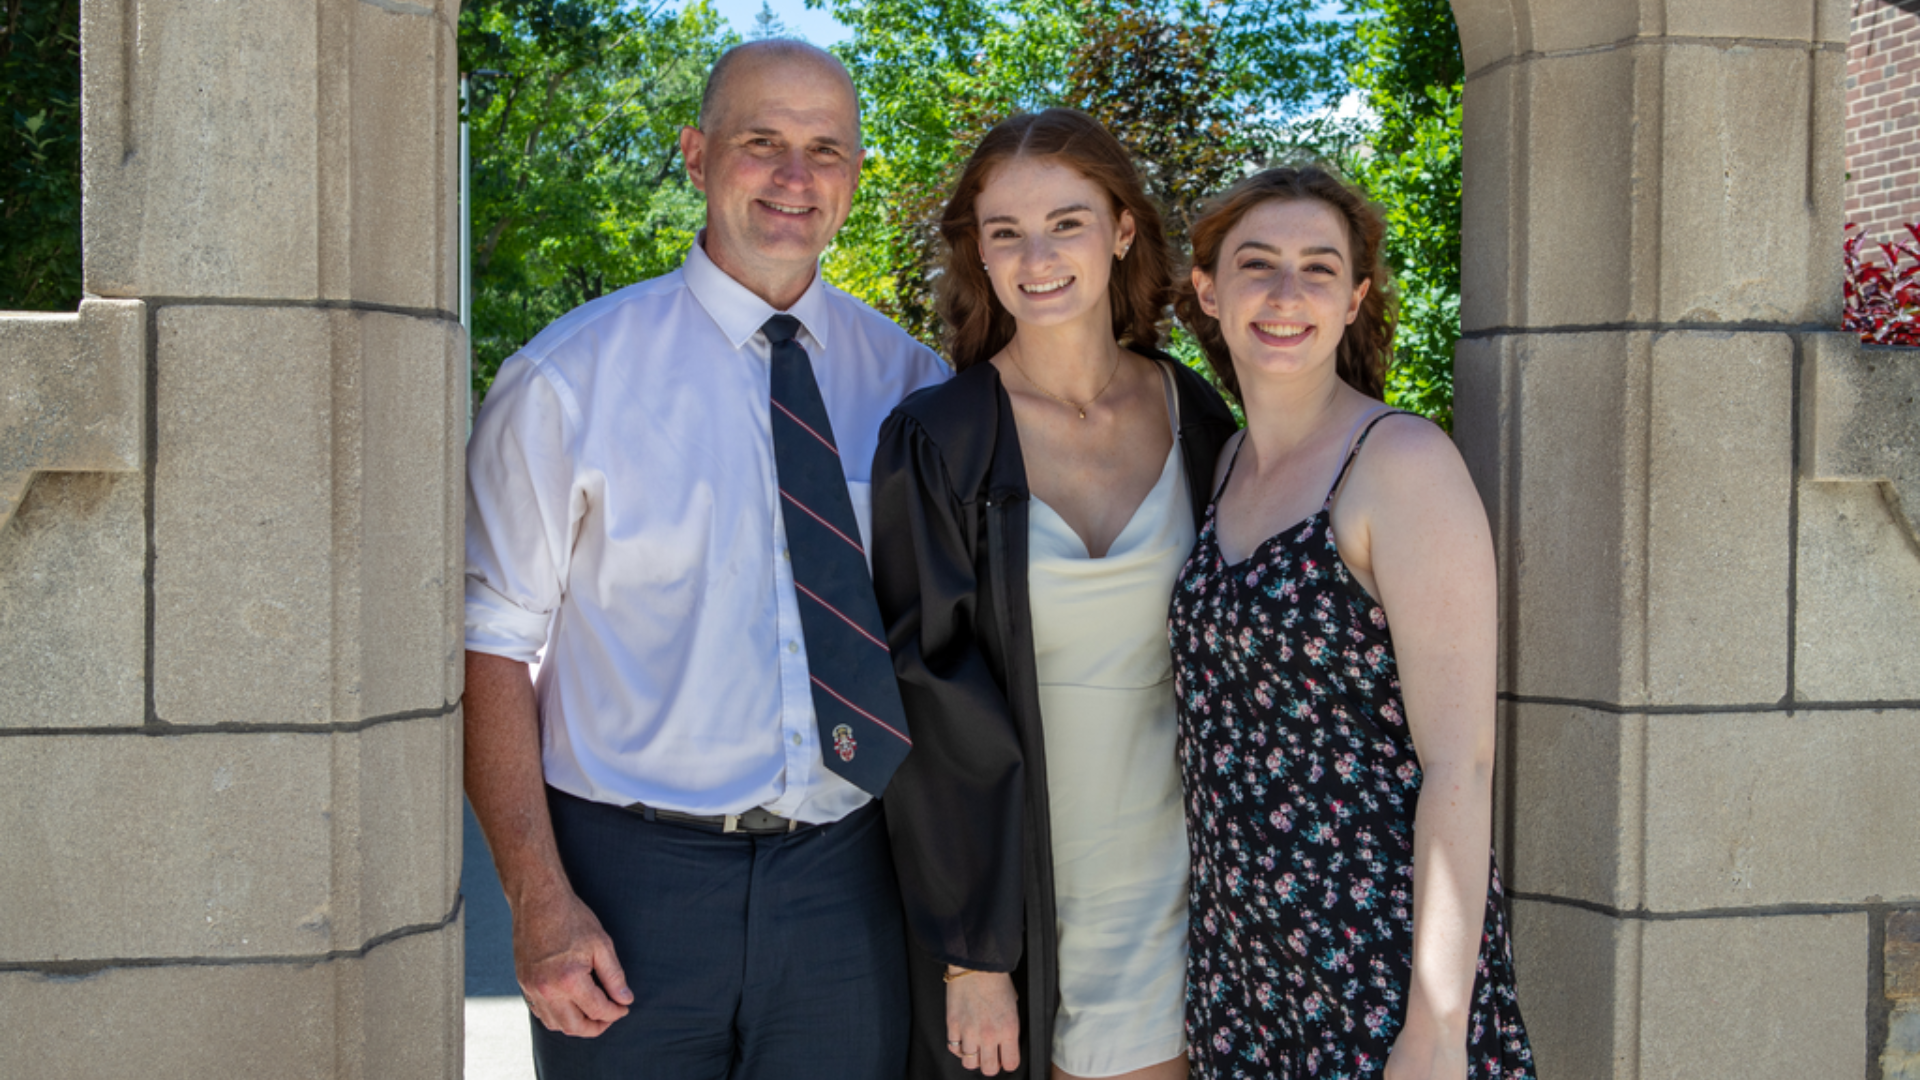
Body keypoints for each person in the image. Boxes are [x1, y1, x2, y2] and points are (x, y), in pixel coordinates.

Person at [461, 39, 947, 1080]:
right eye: (761, 142)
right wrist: (539, 899)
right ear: (694, 154)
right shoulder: (566, 380)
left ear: (857, 176)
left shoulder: (913, 387)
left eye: (827, 151)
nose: (794, 179)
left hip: (848, 884)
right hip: (628, 887)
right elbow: (490, 645)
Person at [871, 108, 1239, 1080]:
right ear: (978, 254)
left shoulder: (1194, 412)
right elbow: (928, 700)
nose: (1038, 256)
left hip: (1178, 866)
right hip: (1020, 878)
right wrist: (971, 953)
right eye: (1006, 233)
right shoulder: (940, 440)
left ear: (1122, 231)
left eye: (1067, 222)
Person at [1167, 165, 1536, 1079]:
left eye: (1319, 268)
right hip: (1242, 966)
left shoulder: (1400, 461)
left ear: (1355, 297)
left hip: (1376, 963)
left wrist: (1439, 1027)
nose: (1287, 294)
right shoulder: (1223, 469)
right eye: (1258, 264)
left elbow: (1461, 762)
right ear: (1209, 291)